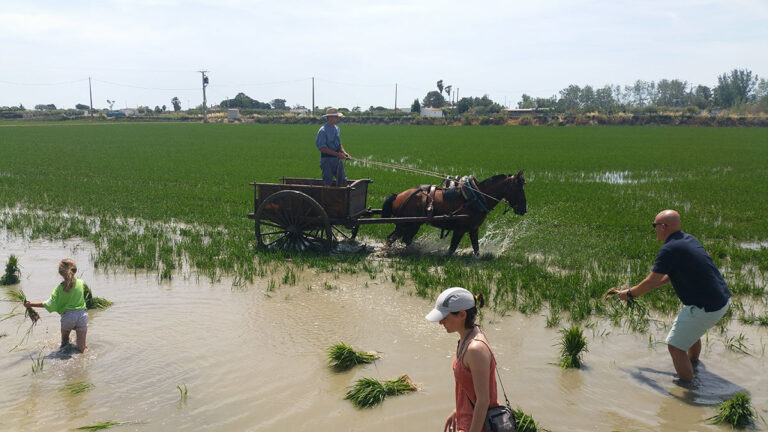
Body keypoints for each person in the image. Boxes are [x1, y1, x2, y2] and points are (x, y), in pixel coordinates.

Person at [617, 209, 730, 382]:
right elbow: (672, 274)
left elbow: (650, 281)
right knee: (691, 333)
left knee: (675, 347)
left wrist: (630, 293)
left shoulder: (669, 249)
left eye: (654, 225)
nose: (654, 229)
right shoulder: (689, 239)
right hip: (721, 300)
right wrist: (657, 283)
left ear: (663, 226)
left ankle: (688, 388)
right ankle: (693, 363)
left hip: (706, 307)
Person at [426, 287, 500, 432]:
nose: (440, 322)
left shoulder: (475, 349)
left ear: (461, 314)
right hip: (466, 422)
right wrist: (458, 411)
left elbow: (483, 401)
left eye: (445, 317)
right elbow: (471, 388)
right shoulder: (465, 339)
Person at [25, 259, 89, 354]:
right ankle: (85, 362)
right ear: (75, 270)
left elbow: (48, 304)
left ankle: (64, 358)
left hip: (68, 317)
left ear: (60, 273)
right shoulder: (81, 283)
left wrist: (30, 304)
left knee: (65, 342)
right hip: (82, 315)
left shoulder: (59, 289)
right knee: (82, 347)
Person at [315, 107, 350, 185]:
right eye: (336, 116)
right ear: (330, 117)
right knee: (328, 181)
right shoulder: (323, 131)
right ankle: (327, 196)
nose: (338, 118)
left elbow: (339, 143)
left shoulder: (337, 129)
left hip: (337, 160)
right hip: (327, 160)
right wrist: (338, 154)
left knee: (343, 180)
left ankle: (342, 196)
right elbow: (322, 148)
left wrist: (344, 152)